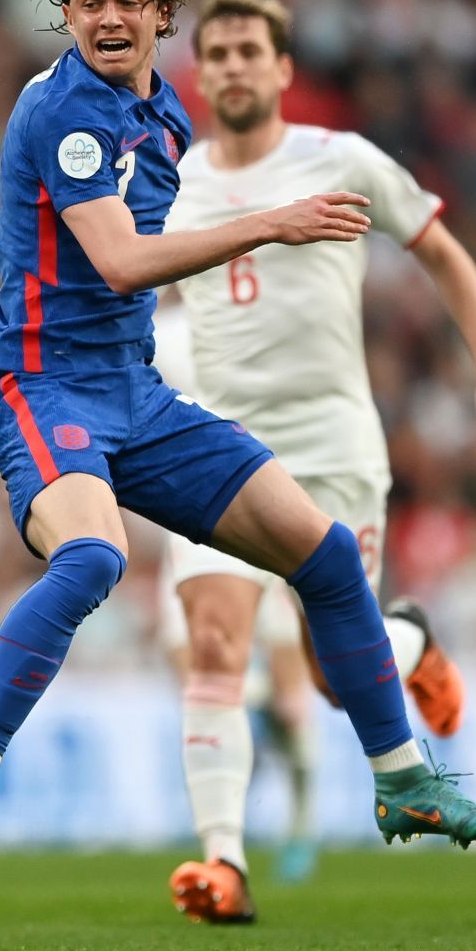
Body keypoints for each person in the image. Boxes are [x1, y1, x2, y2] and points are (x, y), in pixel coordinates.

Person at [0, 0, 476, 887]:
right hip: (41, 384)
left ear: (163, 13)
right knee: (94, 558)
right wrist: (270, 224)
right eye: (89, 0)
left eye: (128, 0)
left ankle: (403, 774)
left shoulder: (165, 112)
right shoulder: (61, 106)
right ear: (64, 10)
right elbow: (116, 261)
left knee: (323, 554)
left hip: (135, 392)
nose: (108, 18)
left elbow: (164, 255)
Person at [157, 0, 476, 922]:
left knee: (337, 676)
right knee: (214, 641)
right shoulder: (170, 181)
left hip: (331, 443)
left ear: (284, 69)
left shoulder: (342, 159)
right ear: (200, 75)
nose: (236, 66)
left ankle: (407, 640)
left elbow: (442, 252)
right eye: (220, 53)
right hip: (216, 441)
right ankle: (222, 864)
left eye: (253, 50)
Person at [150, 297, 328, 894]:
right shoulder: (150, 328)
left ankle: (302, 823)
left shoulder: (262, 318)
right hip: (187, 524)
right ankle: (224, 838)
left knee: (287, 698)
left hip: (258, 514)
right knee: (205, 673)